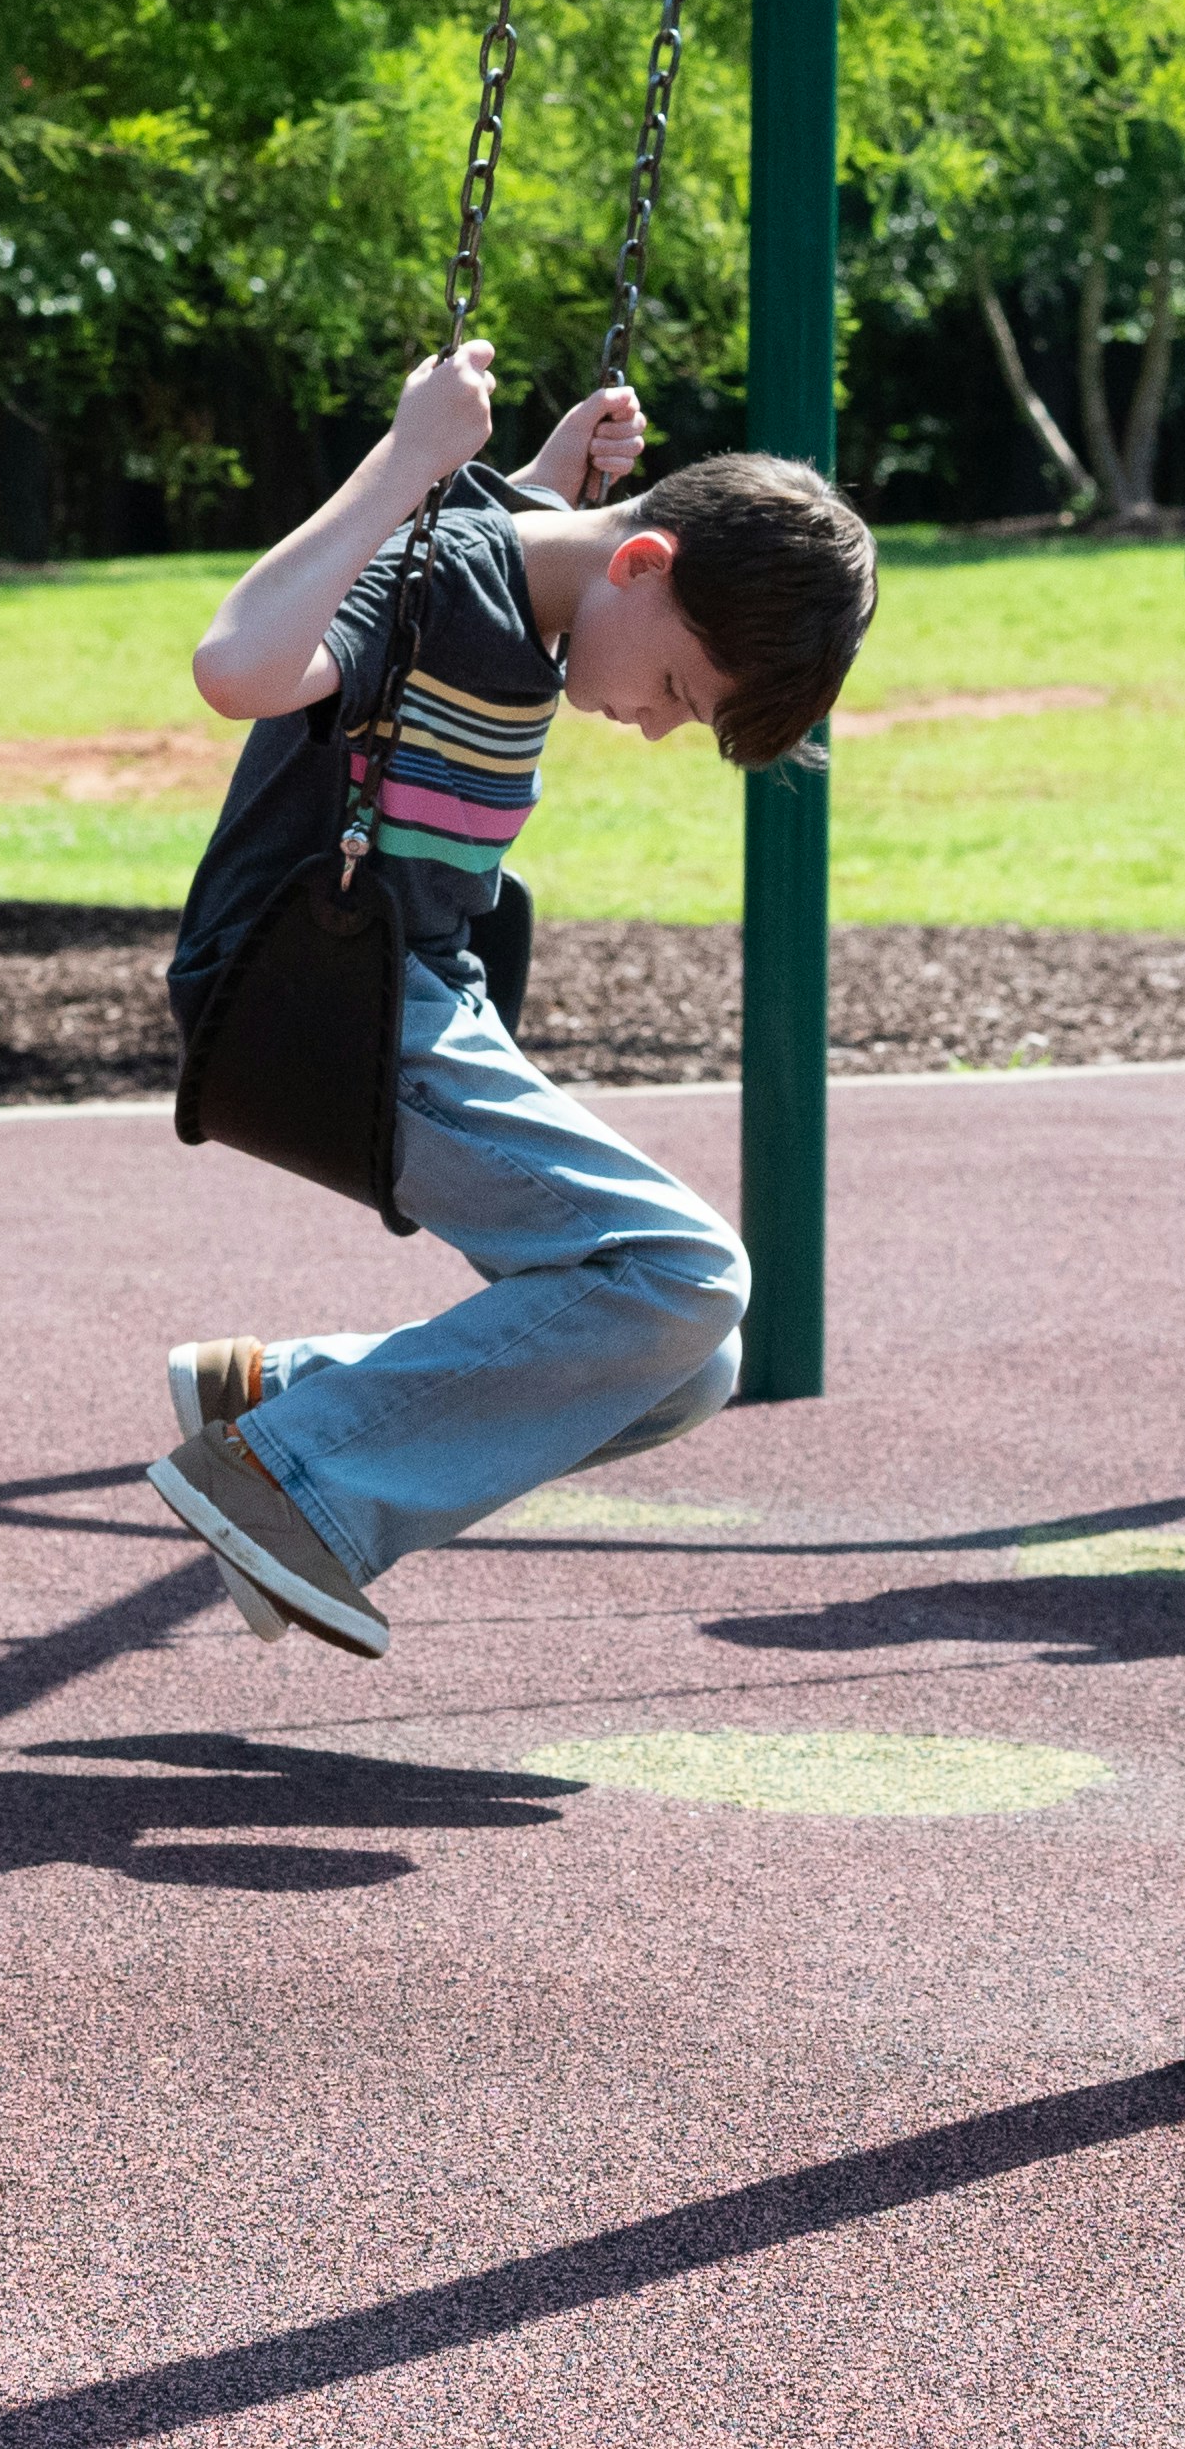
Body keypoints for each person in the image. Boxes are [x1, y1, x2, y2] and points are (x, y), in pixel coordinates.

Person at [148, 346, 878, 1660]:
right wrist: (404, 457)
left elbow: (526, 533)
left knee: (685, 1355)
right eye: (674, 690)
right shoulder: (436, 572)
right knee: (688, 1273)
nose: (652, 726)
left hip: (422, 1001)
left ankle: (289, 1397)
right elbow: (237, 663)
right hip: (321, 1004)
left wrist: (546, 469)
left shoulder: (538, 577)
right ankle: (285, 1476)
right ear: (644, 563)